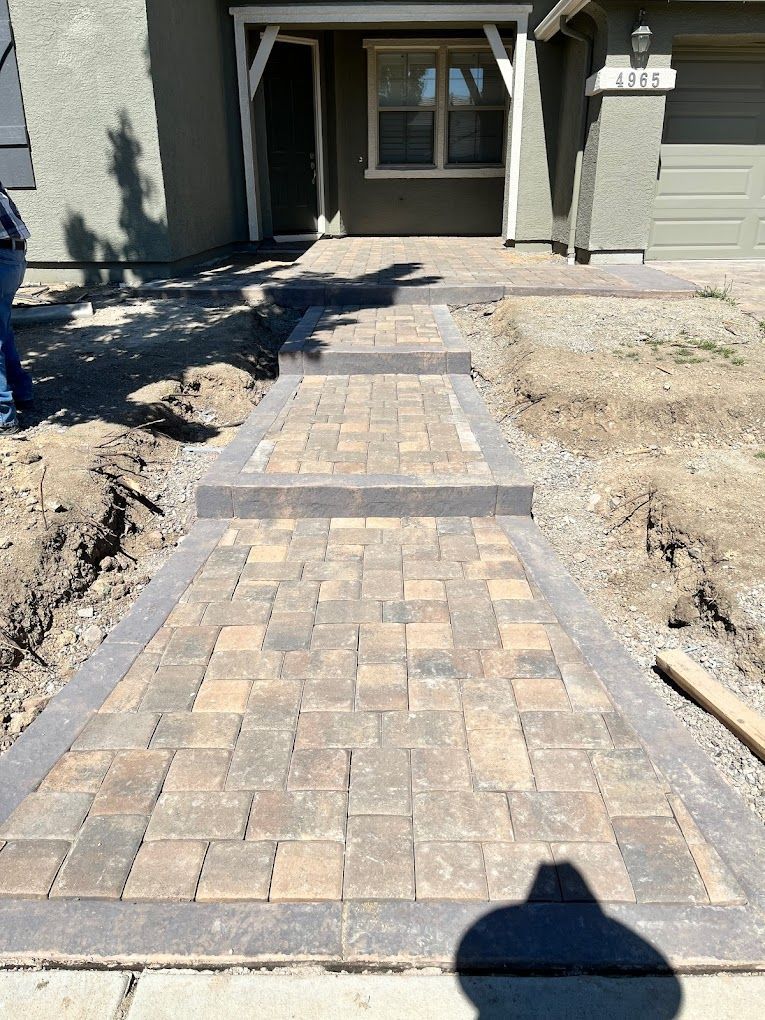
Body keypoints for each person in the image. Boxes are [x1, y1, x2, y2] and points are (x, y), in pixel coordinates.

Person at [0, 180, 32, 436]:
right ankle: (22, 393)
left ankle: (4, 415)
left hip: (1, 259)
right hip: (13, 258)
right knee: (3, 331)